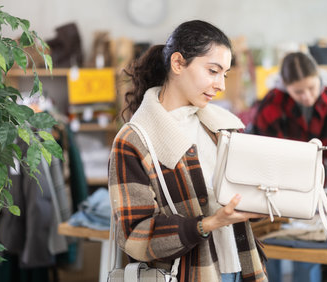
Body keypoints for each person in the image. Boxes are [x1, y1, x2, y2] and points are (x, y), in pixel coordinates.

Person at [108, 20, 268, 282]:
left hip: (242, 268)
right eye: (213, 71)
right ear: (178, 63)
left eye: (224, 74)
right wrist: (208, 224)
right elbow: (134, 235)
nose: (221, 85)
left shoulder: (224, 128)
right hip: (188, 275)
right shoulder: (134, 140)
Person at [247, 52, 327, 282]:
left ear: (318, 78)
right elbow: (266, 152)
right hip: (274, 187)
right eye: (298, 91)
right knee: (273, 245)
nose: (307, 96)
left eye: (312, 88)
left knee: (308, 244)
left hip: (312, 187)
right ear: (285, 87)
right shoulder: (272, 103)